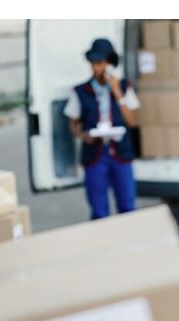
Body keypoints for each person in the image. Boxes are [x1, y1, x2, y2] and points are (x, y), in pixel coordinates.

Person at [64, 38, 140, 220]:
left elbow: (132, 121)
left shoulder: (124, 87)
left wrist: (117, 92)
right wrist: (83, 136)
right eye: (93, 64)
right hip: (95, 155)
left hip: (120, 153)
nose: (95, 68)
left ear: (109, 64)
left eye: (99, 63)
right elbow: (72, 125)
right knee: (99, 211)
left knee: (128, 206)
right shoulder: (80, 91)